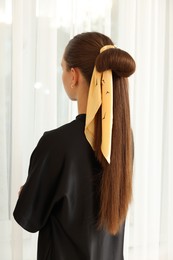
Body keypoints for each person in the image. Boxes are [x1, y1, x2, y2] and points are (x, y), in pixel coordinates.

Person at [13, 32, 136, 260]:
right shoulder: (123, 140)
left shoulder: (56, 143)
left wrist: (27, 190)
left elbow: (28, 218)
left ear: (74, 76)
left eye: (63, 68)